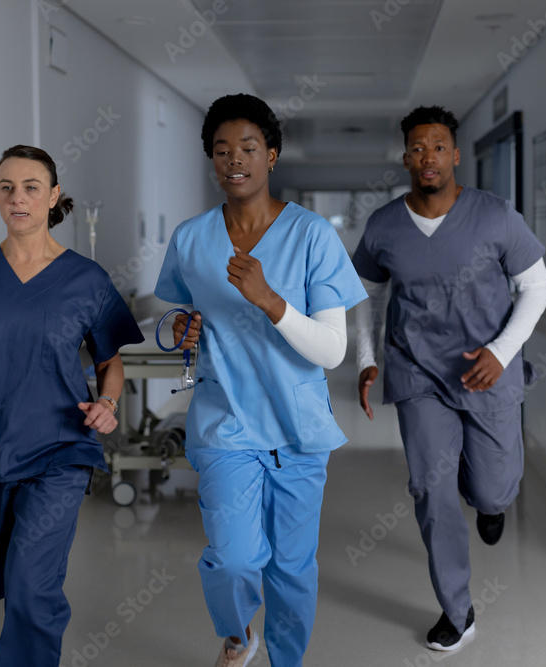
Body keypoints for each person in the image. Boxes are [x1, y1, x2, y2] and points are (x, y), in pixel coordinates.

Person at [154, 93, 366, 667]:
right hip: (226, 423)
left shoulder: (313, 236)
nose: (234, 160)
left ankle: (285, 660)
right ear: (211, 161)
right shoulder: (193, 239)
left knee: (292, 568)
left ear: (271, 155)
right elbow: (170, 316)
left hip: (299, 429)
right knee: (234, 558)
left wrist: (271, 301)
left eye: (247, 147)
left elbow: (331, 350)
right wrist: (179, 327)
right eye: (221, 151)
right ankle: (236, 634)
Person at [0, 145, 143, 666]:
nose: (17, 198)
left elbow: (110, 362)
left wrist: (107, 402)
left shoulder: (85, 279)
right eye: (6, 188)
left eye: (30, 187)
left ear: (53, 196)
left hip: (60, 449)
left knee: (30, 582)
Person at [352, 106, 546, 652]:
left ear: (455, 154)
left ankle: (490, 503)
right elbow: (365, 295)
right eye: (417, 148)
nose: (428, 157)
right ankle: (456, 611)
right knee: (431, 490)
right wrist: (368, 357)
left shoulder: (495, 216)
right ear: (405, 157)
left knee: (491, 485)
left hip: (486, 372)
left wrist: (502, 352)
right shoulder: (384, 226)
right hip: (417, 373)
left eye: (438, 146)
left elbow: (537, 288)